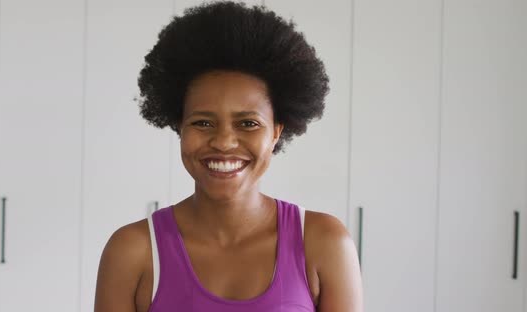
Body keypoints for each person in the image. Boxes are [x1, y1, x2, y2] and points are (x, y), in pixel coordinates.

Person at [94, 1, 363, 311]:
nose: (223, 142)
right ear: (179, 125)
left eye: (248, 123)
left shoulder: (324, 243)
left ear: (276, 131)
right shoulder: (132, 251)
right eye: (202, 122)